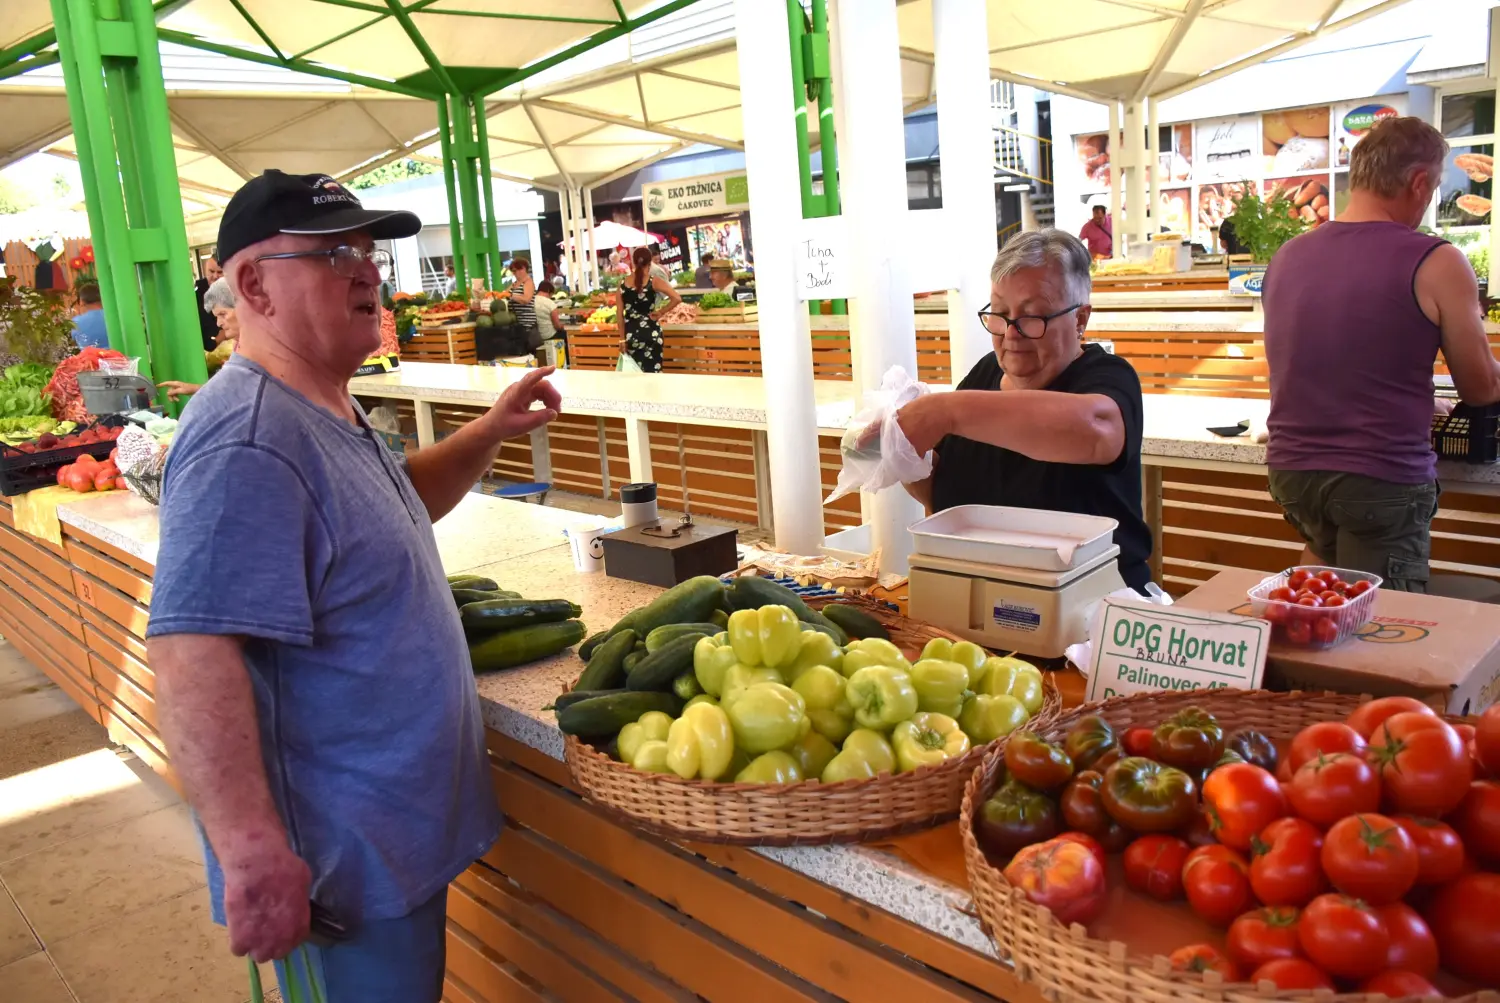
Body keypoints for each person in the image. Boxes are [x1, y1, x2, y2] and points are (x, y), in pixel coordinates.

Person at [145, 169, 560, 1003]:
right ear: (255, 284)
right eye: (336, 254)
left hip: (387, 847)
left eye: (369, 252)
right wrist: (251, 850)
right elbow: (191, 651)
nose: (369, 272)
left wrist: (489, 432)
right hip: (335, 870)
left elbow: (388, 508)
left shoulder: (320, 400)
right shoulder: (248, 441)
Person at [1263, 116, 1500, 592]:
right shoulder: (1435, 259)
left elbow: (1326, 358)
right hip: (1379, 479)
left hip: (1293, 476)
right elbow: (1481, 388)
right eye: (1433, 187)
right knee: (1379, 639)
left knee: (1324, 615)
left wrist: (1411, 400)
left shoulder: (1288, 256)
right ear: (1418, 183)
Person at [896, 229, 1152, 591]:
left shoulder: (1106, 377)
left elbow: (1096, 431)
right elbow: (944, 493)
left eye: (1033, 316)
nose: (1011, 334)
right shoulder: (984, 375)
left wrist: (945, 411)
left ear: (1080, 320)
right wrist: (904, 453)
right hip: (985, 599)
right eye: (1000, 314)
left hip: (1095, 610)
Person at [159, 277, 240, 401]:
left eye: (222, 314)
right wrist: (193, 389)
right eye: (216, 317)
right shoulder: (238, 344)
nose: (218, 323)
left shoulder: (264, 344)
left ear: (243, 307)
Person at [616, 245, 683, 373]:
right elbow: (677, 298)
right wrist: (661, 312)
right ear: (650, 263)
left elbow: (619, 314)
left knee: (634, 375)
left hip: (631, 334)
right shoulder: (654, 281)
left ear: (633, 262)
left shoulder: (622, 285)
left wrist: (622, 339)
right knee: (654, 375)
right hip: (651, 332)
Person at [505, 258, 539, 352]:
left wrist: (511, 295)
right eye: (513, 271)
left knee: (527, 351)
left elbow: (526, 299)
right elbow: (504, 295)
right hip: (516, 324)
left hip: (527, 324)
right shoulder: (514, 284)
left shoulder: (528, 282)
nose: (516, 273)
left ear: (524, 269)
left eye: (518, 270)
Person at [70, 283, 110, 350]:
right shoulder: (113, 317)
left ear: (82, 301)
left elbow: (75, 340)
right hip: (118, 357)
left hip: (89, 359)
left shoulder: (76, 322)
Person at [195, 257, 223, 350]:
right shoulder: (196, 294)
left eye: (220, 272)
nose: (215, 276)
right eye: (211, 271)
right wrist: (221, 337)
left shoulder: (235, 290)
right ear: (205, 270)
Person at [533, 280, 562, 345]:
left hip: (536, 336)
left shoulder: (531, 301)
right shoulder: (550, 303)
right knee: (564, 334)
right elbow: (557, 326)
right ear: (549, 291)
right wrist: (562, 326)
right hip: (550, 336)